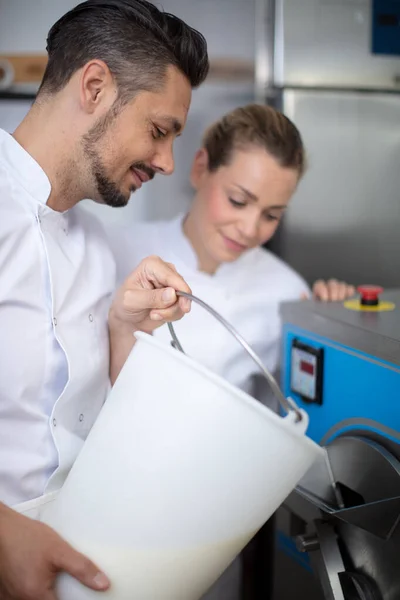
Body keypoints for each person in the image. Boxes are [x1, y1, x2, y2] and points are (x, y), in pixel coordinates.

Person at [0, 1, 209, 599]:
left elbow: (87, 424)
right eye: (159, 130)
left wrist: (122, 331)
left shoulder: (96, 243)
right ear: (94, 86)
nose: (167, 162)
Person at [110, 104, 355, 398]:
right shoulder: (115, 252)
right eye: (238, 200)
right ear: (201, 169)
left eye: (271, 215)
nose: (250, 229)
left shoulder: (287, 293)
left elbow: (304, 404)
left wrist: (337, 324)